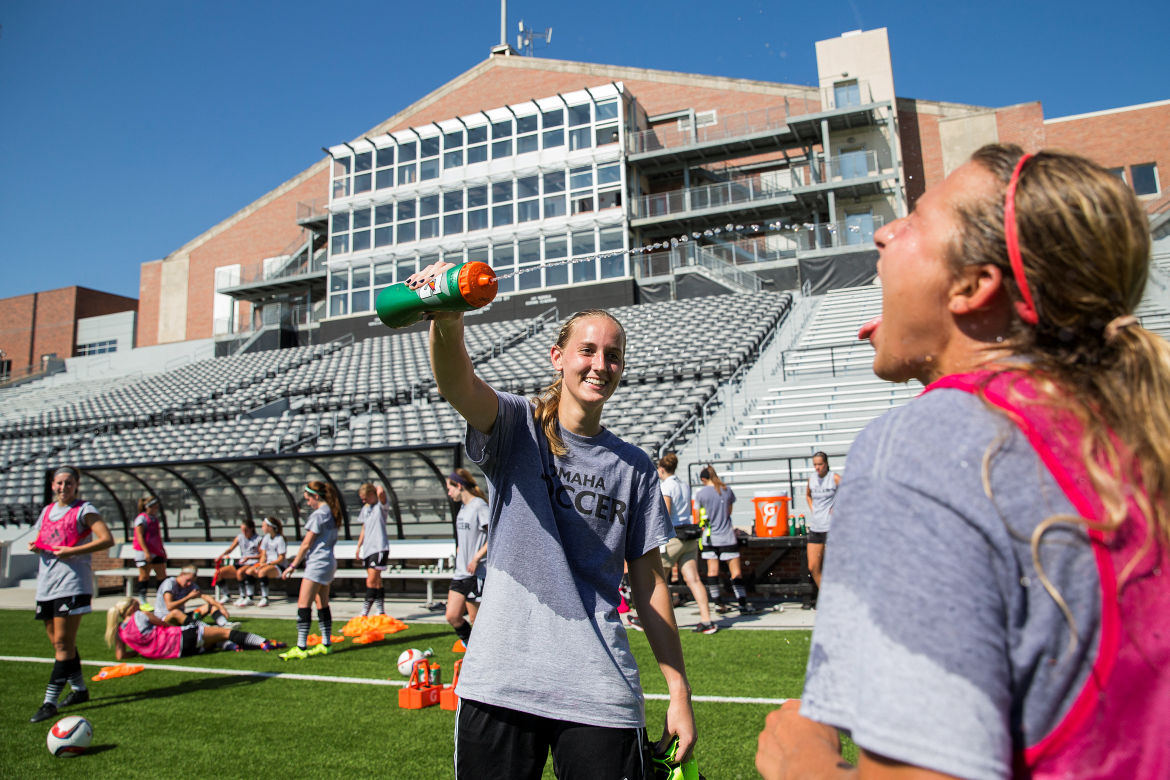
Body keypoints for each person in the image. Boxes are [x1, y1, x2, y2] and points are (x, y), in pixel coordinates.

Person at [756, 144, 1170, 779]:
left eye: (914, 220)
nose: (886, 233)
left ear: (975, 286)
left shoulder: (923, 447)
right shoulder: (1135, 433)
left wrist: (802, 763)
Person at [408, 264, 695, 779]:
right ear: (558, 358)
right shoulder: (517, 427)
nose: (600, 364)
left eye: (613, 355)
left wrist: (679, 692)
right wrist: (447, 318)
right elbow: (457, 384)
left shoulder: (633, 466)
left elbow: (651, 586)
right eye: (587, 350)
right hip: (500, 681)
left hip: (599, 689)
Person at [27, 465, 114, 723]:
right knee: (58, 643)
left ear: (76, 485)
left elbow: (107, 539)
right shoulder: (47, 511)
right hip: (47, 583)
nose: (63, 487)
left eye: (68, 483)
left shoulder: (84, 510)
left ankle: (49, 702)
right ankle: (79, 690)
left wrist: (71, 551)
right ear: (52, 485)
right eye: (58, 483)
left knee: (64, 643)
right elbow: (46, 540)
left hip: (72, 584)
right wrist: (36, 547)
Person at [280, 481, 341, 660]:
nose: (308, 503)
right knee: (322, 603)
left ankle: (301, 646)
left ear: (316, 496)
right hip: (328, 562)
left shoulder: (318, 514)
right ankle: (326, 643)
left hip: (317, 563)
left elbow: (307, 543)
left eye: (308, 499)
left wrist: (292, 565)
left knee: (303, 604)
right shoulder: (331, 512)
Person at [106, 597, 283, 658]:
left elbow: (120, 656)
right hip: (179, 640)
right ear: (132, 607)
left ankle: (230, 646)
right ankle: (264, 643)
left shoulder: (119, 631)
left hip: (172, 653)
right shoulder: (140, 615)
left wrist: (138, 652)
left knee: (212, 639)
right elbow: (165, 624)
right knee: (225, 632)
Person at [657, 453, 716, 634]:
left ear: (661, 469)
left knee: (658, 582)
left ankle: (651, 620)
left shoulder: (667, 485)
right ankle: (707, 620)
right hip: (688, 535)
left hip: (674, 537)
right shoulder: (683, 484)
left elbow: (665, 513)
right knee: (694, 580)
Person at [695, 465, 755, 614]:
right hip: (727, 536)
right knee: (736, 573)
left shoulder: (701, 493)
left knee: (712, 571)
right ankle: (742, 603)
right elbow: (729, 512)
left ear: (703, 479)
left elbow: (697, 517)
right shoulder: (727, 490)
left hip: (710, 537)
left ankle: (717, 603)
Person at [445, 468, 488, 649]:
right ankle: (471, 649)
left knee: (475, 620)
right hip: (460, 572)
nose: (449, 493)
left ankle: (481, 655)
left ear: (459, 485)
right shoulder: (462, 509)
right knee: (452, 616)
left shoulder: (479, 505)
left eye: (450, 488)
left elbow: (494, 536)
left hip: (475, 572)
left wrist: (476, 558)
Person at [155, 565, 237, 629]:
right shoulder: (169, 583)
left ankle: (224, 624)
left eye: (192, 581)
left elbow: (206, 596)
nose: (189, 584)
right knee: (176, 612)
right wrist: (188, 597)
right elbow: (170, 606)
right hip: (165, 619)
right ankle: (205, 628)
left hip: (182, 617)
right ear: (181, 575)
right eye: (188, 580)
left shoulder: (189, 585)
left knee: (210, 606)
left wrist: (221, 608)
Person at [803, 452, 840, 591]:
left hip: (832, 528)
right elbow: (807, 495)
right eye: (815, 465)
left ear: (826, 464)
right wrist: (813, 508)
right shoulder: (811, 479)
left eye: (820, 464)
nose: (817, 468)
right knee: (813, 566)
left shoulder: (834, 478)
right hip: (816, 527)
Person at [354, 484, 389, 617]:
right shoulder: (366, 508)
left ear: (371, 495)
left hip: (379, 548)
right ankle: (380, 611)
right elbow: (364, 527)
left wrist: (376, 487)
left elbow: (381, 492)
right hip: (368, 549)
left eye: (365, 498)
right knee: (377, 581)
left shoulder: (381, 506)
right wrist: (359, 546)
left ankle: (364, 612)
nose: (364, 501)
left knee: (371, 581)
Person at [215, 519, 262, 606]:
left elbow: (262, 555)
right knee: (219, 573)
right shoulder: (240, 537)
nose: (244, 532)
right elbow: (230, 549)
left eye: (246, 530)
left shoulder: (258, 539)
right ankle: (227, 595)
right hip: (242, 562)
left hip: (253, 563)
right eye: (242, 529)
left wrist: (249, 557)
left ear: (251, 529)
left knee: (239, 572)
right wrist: (220, 556)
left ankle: (245, 596)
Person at [131, 494, 167, 602]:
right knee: (144, 576)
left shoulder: (155, 519)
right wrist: (146, 552)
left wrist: (162, 550)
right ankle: (142, 599)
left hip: (156, 551)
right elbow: (139, 536)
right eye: (154, 506)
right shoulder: (141, 518)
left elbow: (157, 536)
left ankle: (161, 598)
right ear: (148, 506)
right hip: (144, 552)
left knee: (162, 575)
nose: (156, 509)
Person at [247, 517, 288, 607]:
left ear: (270, 527)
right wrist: (260, 564)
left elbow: (281, 558)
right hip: (267, 564)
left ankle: (265, 597)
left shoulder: (280, 539)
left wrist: (268, 564)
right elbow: (263, 555)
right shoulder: (266, 538)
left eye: (263, 526)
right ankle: (249, 597)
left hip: (279, 566)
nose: (262, 528)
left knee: (262, 572)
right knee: (249, 571)